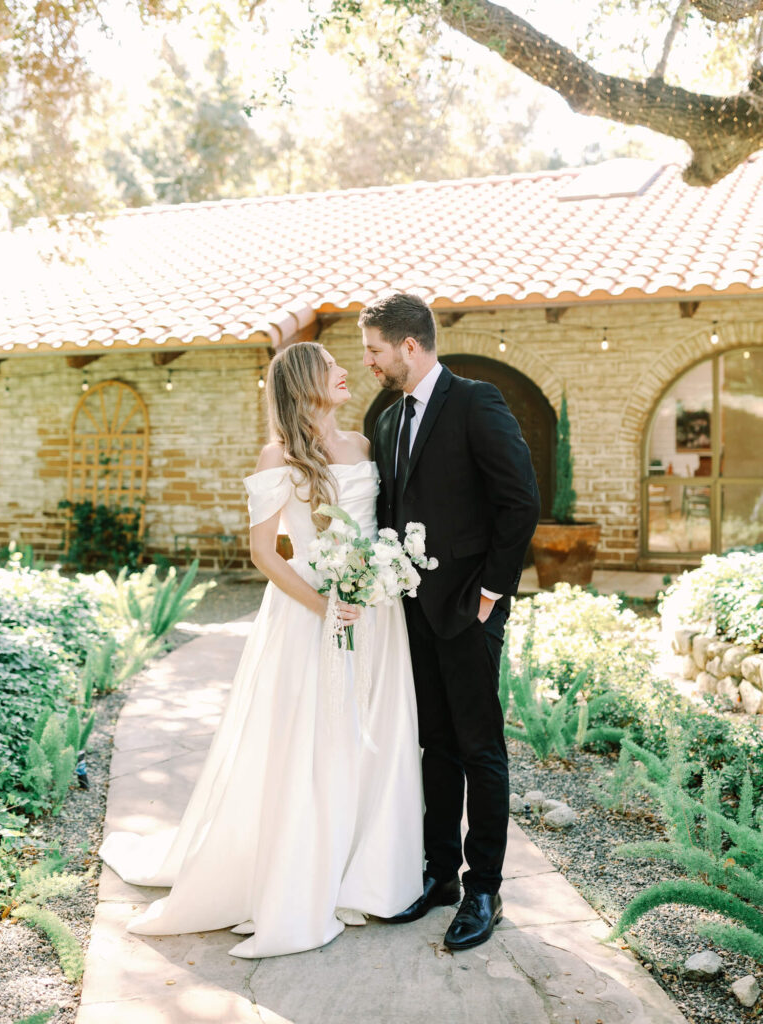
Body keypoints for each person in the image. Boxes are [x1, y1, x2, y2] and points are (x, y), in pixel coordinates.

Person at [99, 342, 424, 959]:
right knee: (309, 737)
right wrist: (325, 603)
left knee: (371, 732)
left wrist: (376, 578)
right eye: (332, 366)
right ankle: (296, 872)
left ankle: (363, 871)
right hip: (308, 612)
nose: (345, 371)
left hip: (375, 613)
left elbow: (380, 527)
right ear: (306, 381)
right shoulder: (278, 456)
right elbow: (265, 552)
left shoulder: (362, 444)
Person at [361, 293, 540, 952]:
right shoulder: (385, 420)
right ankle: (439, 875)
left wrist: (490, 594)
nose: (370, 363)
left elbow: (518, 503)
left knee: (479, 748)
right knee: (434, 744)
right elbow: (390, 512)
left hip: (470, 608)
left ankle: (483, 887)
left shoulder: (476, 402)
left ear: (409, 346)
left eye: (375, 351)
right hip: (411, 612)